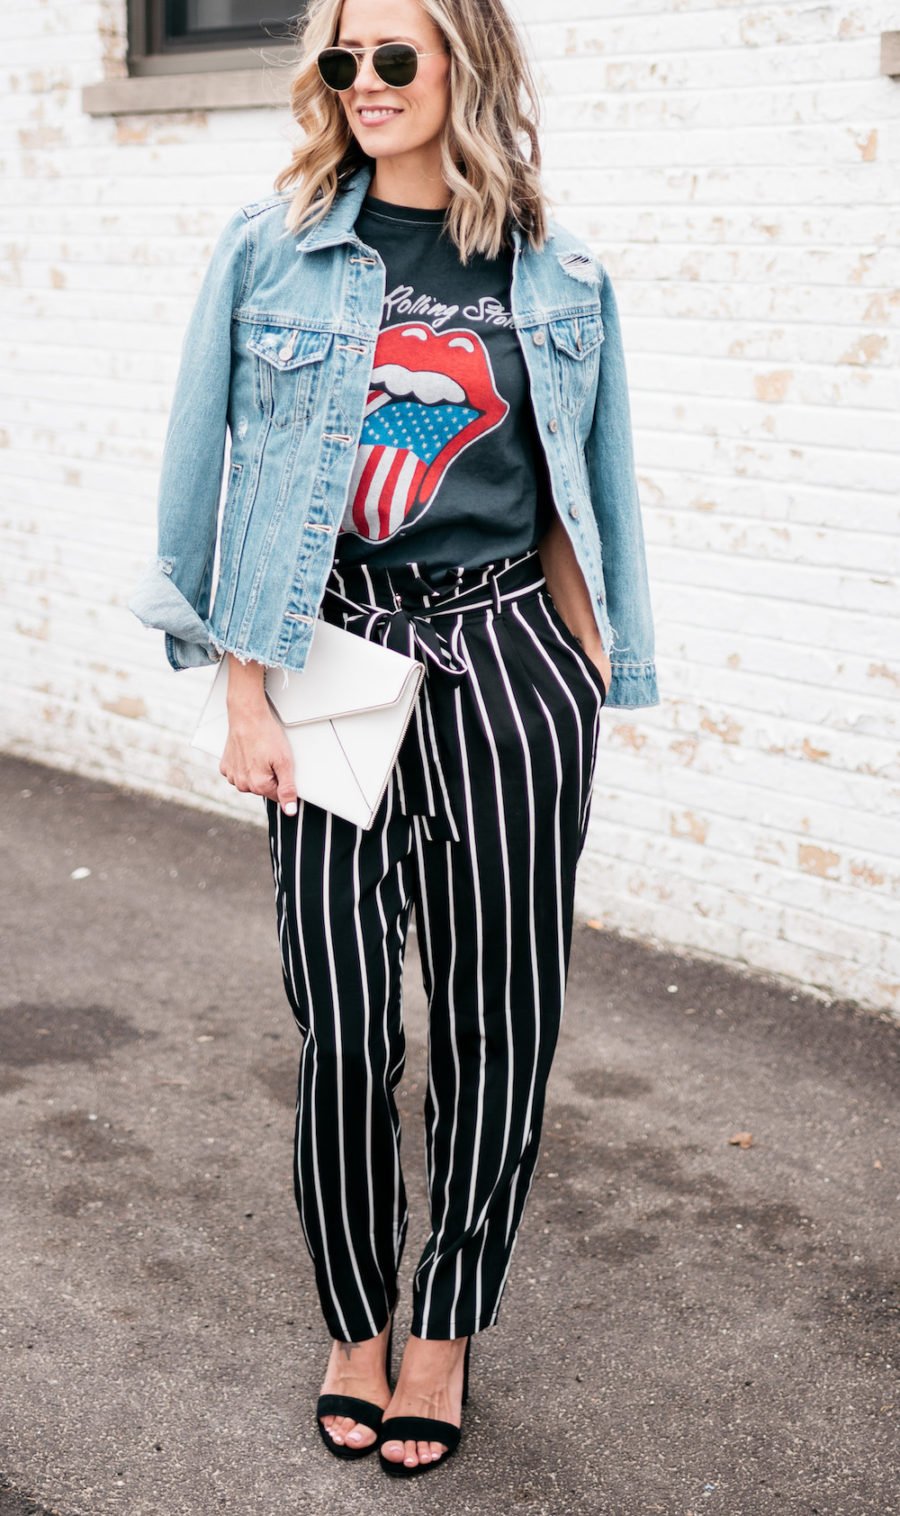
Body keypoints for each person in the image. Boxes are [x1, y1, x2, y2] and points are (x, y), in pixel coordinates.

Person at [128, 0, 659, 1479]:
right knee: (345, 1023)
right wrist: (241, 690)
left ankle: (443, 1334)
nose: (361, 85)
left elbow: (583, 504)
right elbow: (205, 475)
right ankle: (353, 1318)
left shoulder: (556, 274)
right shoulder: (273, 247)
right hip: (332, 660)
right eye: (341, 62)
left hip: (506, 663)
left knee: (500, 1027)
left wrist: (588, 685)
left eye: (393, 59)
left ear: (465, 69)